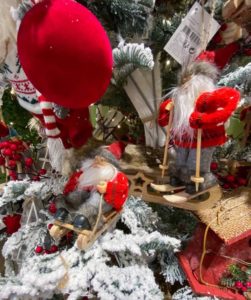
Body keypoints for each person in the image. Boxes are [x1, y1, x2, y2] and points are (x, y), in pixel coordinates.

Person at [158, 56, 240, 194]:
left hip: (204, 139)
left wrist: (203, 118)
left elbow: (222, 112)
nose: (183, 87)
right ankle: (179, 175)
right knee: (181, 157)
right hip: (184, 138)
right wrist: (168, 111)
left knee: (196, 160)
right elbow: (163, 119)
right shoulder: (179, 101)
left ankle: (198, 179)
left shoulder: (209, 101)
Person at [54, 141, 129, 229]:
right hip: (85, 196)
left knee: (96, 198)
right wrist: (79, 181)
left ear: (111, 165)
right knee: (78, 193)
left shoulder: (117, 176)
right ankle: (66, 209)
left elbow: (122, 189)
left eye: (102, 160)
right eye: (96, 159)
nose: (97, 163)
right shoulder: (88, 170)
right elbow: (72, 183)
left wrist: (107, 188)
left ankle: (85, 217)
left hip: (103, 201)